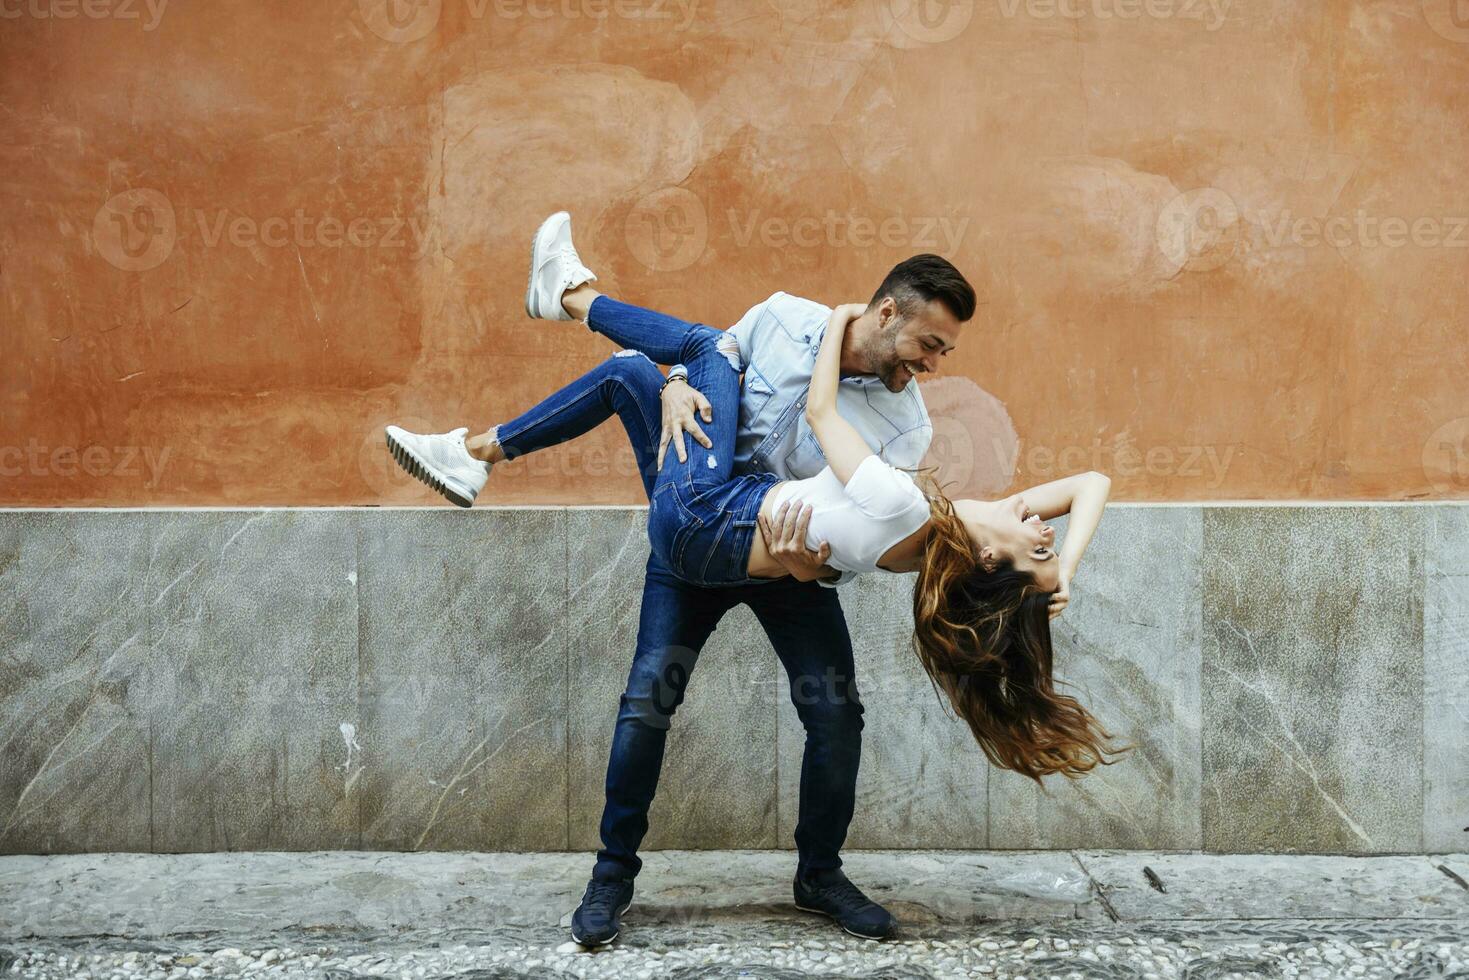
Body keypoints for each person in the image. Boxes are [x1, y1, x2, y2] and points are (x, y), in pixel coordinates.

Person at [384, 212, 1131, 946]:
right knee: (648, 700)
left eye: (939, 353)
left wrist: (817, 567)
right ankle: (610, 879)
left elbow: (890, 540)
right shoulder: (779, 320)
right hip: (704, 511)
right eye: (926, 344)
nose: (930, 365)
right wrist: (672, 388)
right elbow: (711, 371)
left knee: (835, 716)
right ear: (885, 312)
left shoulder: (909, 430)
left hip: (782, 565)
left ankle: (820, 875)